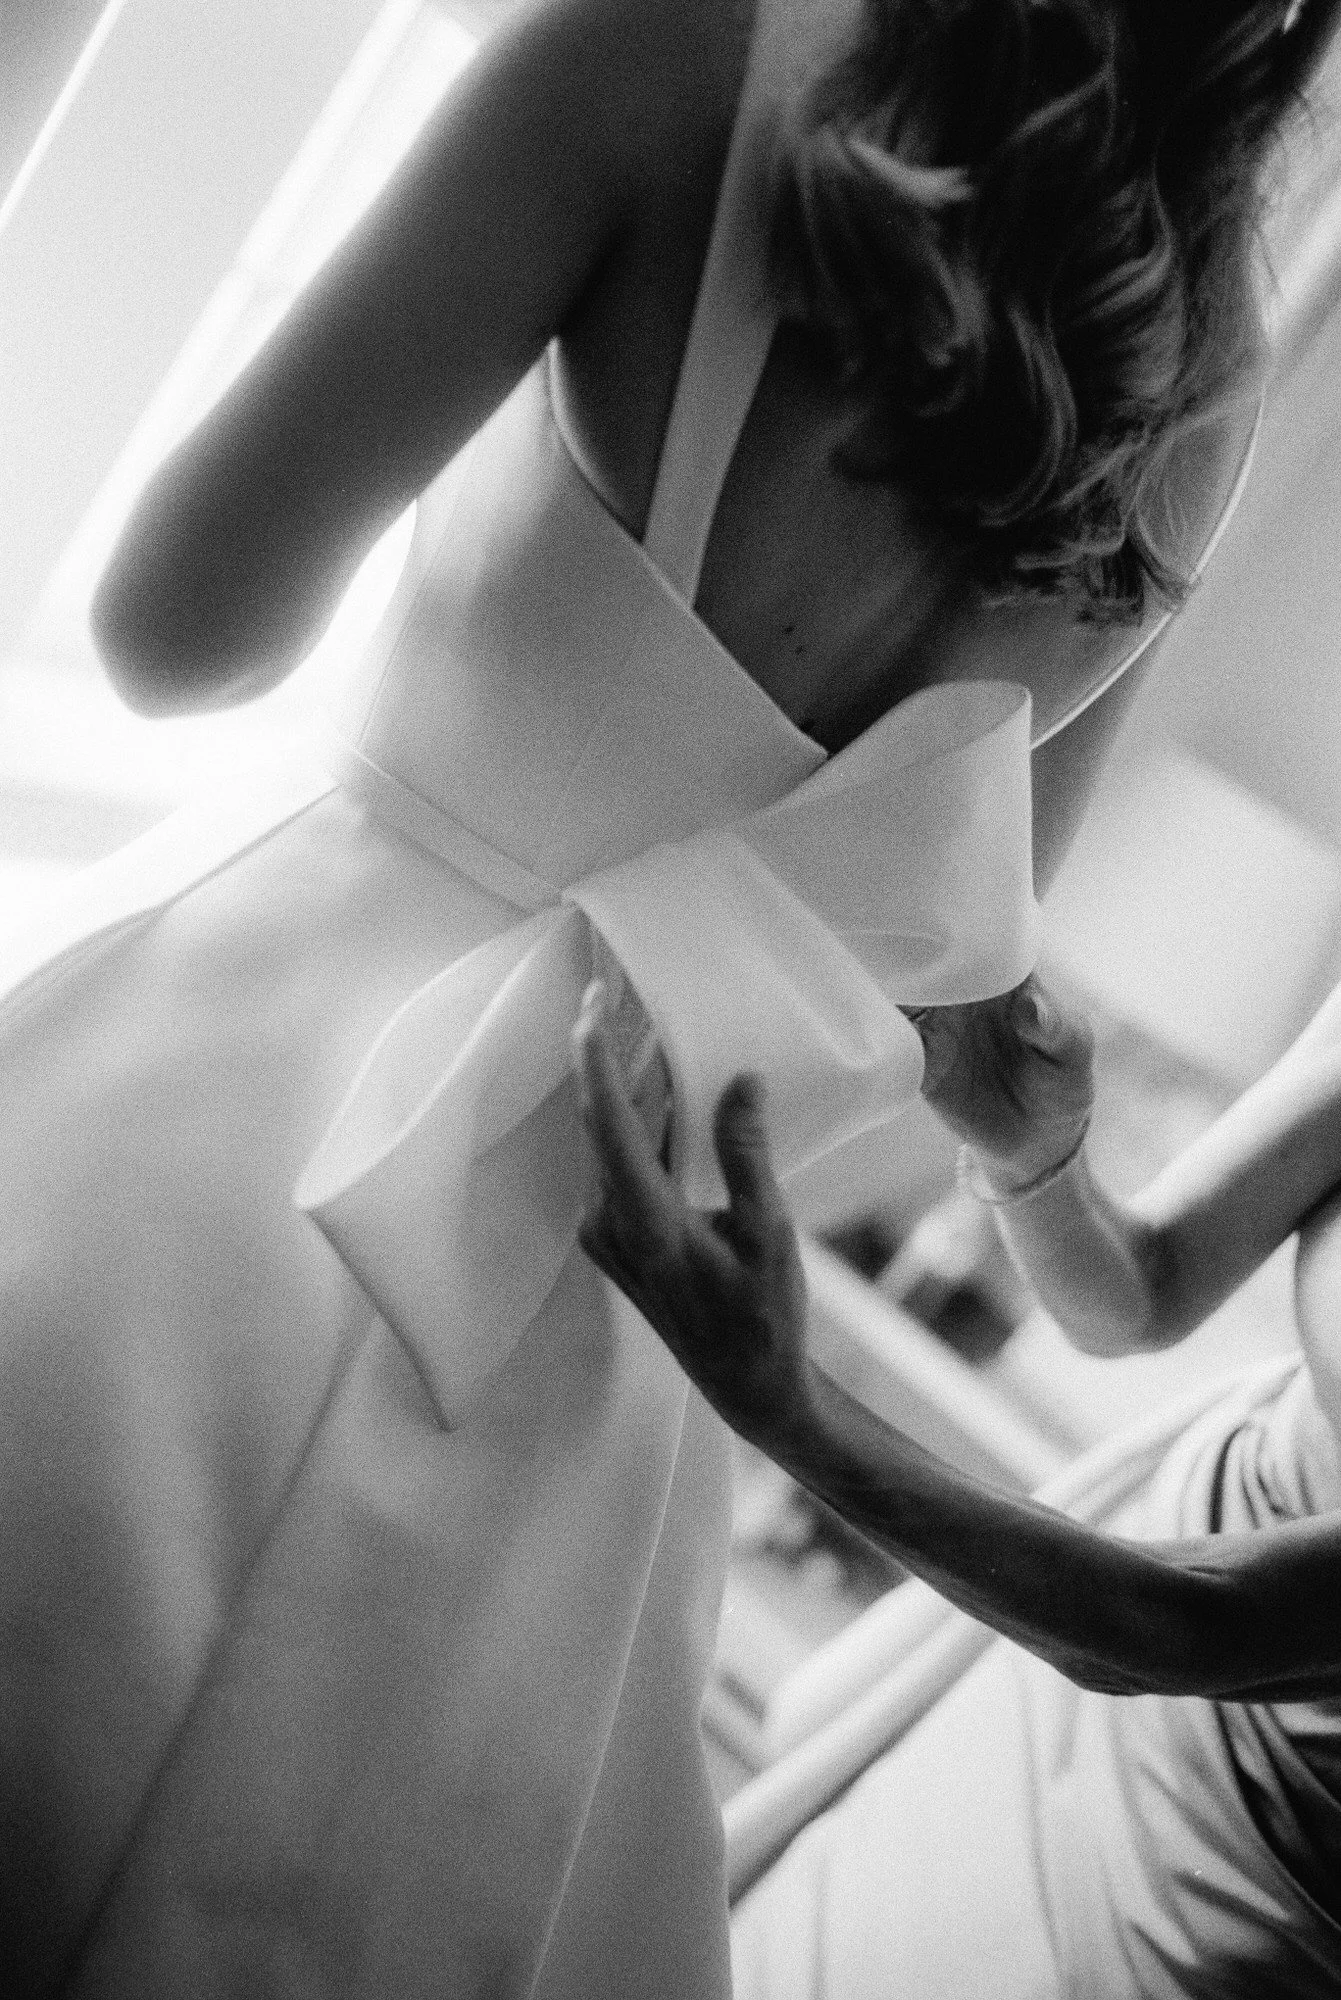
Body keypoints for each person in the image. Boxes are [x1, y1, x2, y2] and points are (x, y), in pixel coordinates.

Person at [1, 0, 1335, 1992]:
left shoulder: (673, 55)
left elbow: (175, 628)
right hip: (607, 1307)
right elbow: (967, 982)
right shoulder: (1203, 390)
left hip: (213, 1110)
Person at [572, 961, 1341, 1995]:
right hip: (1076, 1630)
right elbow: (1142, 1287)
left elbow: (1194, 1623)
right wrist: (1030, 1153)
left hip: (1216, 1856)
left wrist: (791, 1411)